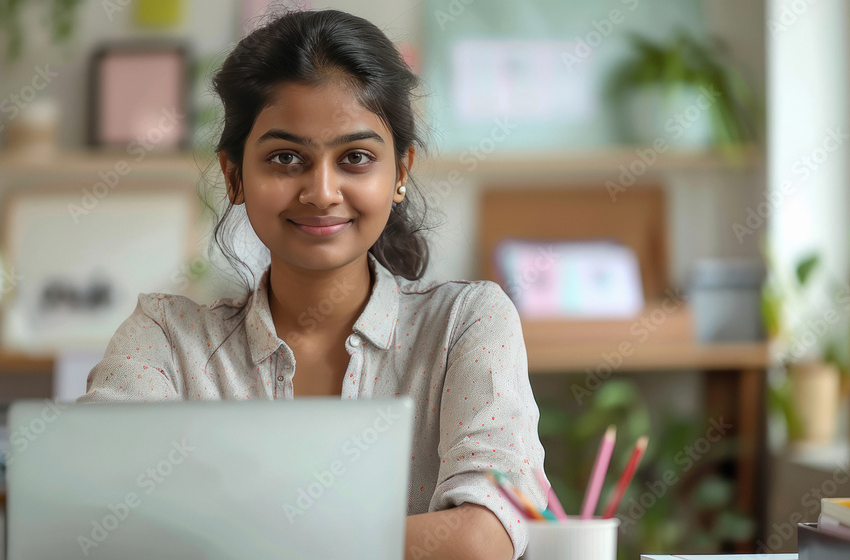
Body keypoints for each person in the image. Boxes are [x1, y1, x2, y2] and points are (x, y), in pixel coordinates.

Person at [78, 8, 545, 560]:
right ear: (234, 177)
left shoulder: (468, 322)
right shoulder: (165, 339)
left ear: (399, 172)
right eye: (285, 158)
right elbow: (96, 518)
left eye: (355, 158)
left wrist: (238, 534)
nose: (322, 191)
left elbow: (480, 539)